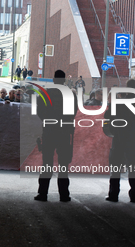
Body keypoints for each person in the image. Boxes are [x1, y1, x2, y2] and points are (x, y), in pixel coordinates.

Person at [34, 70, 77, 202]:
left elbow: (39, 110)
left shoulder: (45, 93)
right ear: (64, 80)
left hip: (49, 131)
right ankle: (64, 195)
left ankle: (43, 194)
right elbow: (74, 111)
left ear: (53, 80)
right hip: (64, 132)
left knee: (47, 163)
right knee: (63, 165)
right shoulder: (70, 94)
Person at [105, 79, 135, 203]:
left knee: (115, 167)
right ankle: (134, 195)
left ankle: (114, 194)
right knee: (133, 167)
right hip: (133, 139)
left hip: (119, 137)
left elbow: (107, 116)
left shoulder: (119, 102)